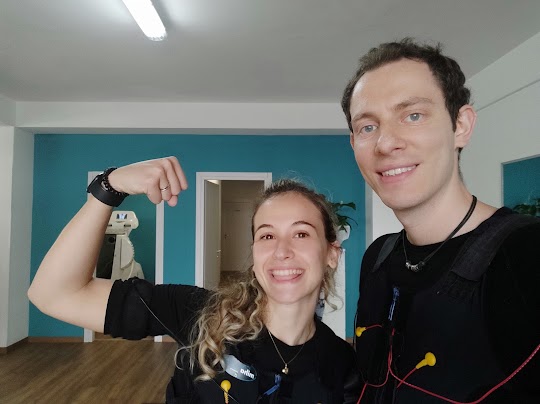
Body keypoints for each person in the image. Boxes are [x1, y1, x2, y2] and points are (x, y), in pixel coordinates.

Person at [28, 157, 361, 403]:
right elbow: (54, 294)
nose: (281, 251)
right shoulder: (201, 313)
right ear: (255, 253)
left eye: (301, 233)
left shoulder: (342, 365)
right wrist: (108, 187)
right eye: (267, 236)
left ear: (332, 253)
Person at [341, 38, 540, 403]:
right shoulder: (378, 257)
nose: (385, 143)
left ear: (461, 125)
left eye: (413, 115)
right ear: (354, 144)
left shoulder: (526, 254)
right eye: (368, 127)